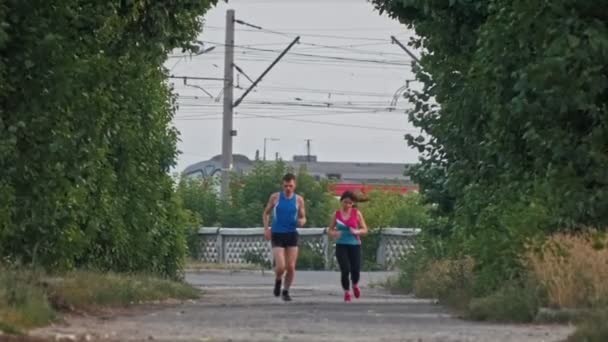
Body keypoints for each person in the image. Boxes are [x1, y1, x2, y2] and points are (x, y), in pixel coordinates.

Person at [263, 173, 306, 302]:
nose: (288, 188)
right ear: (283, 185)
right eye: (286, 186)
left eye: (290, 186)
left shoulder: (299, 200)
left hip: (291, 233)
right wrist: (266, 229)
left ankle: (286, 291)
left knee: (291, 267)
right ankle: (278, 280)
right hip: (277, 233)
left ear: (295, 186)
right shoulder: (275, 197)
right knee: (281, 266)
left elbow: (303, 216)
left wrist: (302, 221)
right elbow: (266, 213)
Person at [328, 190, 369, 302]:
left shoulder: (357, 213)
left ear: (353, 204)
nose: (347, 205)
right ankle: (346, 292)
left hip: (354, 244)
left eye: (350, 203)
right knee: (345, 269)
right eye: (345, 202)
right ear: (341, 201)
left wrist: (357, 232)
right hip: (341, 244)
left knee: (355, 269)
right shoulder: (336, 214)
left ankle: (355, 284)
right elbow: (330, 230)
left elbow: (365, 229)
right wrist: (335, 233)